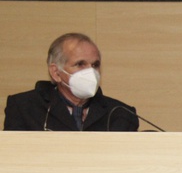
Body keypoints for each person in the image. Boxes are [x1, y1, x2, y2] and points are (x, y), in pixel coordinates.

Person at [4, 32, 138, 131]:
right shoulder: (23, 107)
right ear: (56, 73)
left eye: (95, 65)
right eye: (80, 64)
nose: (91, 72)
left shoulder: (122, 114)